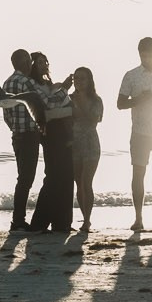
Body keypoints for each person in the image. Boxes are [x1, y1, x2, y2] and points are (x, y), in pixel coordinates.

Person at [116, 36, 152, 233]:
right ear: (139, 54)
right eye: (143, 55)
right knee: (138, 174)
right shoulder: (131, 76)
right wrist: (139, 99)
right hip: (139, 132)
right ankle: (138, 218)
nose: (146, 59)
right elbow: (120, 104)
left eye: (150, 55)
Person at [26, 52, 78, 232]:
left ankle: (62, 222)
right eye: (39, 62)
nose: (43, 65)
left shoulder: (47, 84)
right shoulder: (32, 85)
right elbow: (47, 105)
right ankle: (39, 222)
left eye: (45, 62)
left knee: (66, 176)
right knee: (54, 177)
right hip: (50, 134)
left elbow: (61, 104)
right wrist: (63, 88)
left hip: (61, 132)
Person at [0, 49, 43, 231]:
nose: (31, 64)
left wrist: (15, 128)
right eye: (29, 61)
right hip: (29, 134)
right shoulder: (27, 83)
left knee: (22, 177)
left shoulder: (7, 83)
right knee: (26, 179)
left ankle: (18, 219)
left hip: (17, 135)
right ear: (24, 63)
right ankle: (18, 220)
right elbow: (38, 106)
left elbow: (6, 113)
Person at [66, 66, 106, 234]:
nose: (79, 81)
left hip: (90, 143)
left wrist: (81, 103)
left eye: (82, 78)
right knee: (78, 184)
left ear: (89, 81)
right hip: (74, 144)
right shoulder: (68, 98)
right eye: (76, 78)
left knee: (85, 182)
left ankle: (87, 220)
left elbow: (93, 120)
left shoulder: (96, 100)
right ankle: (84, 217)